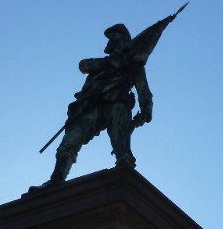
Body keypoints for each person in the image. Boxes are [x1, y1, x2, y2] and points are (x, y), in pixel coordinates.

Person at [48, 22, 154, 184]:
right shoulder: (101, 62)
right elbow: (83, 65)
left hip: (117, 103)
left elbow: (143, 89)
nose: (111, 39)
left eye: (115, 35)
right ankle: (56, 179)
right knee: (69, 142)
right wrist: (110, 62)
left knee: (121, 143)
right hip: (91, 105)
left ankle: (124, 174)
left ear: (125, 39)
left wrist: (146, 111)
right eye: (111, 36)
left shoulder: (133, 65)